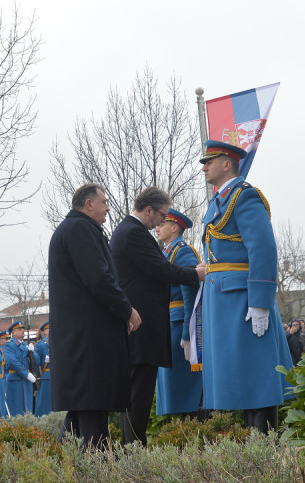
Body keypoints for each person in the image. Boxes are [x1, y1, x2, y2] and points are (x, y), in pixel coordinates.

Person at [197, 141, 292, 433]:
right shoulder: (218, 201)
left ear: (227, 164)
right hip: (222, 300)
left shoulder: (244, 196)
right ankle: (252, 449)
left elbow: (263, 249)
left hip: (242, 298)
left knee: (257, 374)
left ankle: (264, 448)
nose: (204, 167)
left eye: (209, 161)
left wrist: (261, 301)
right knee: (238, 378)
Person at [47, 183, 140, 448]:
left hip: (83, 339)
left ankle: (64, 468)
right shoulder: (79, 229)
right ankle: (96, 470)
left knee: (82, 414)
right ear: (88, 204)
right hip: (87, 341)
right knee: (91, 414)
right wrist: (127, 310)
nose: (108, 207)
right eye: (104, 202)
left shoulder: (79, 228)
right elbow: (99, 278)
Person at [111, 187, 205, 445]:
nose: (161, 222)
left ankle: (129, 450)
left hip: (139, 326)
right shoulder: (134, 233)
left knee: (134, 397)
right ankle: (133, 452)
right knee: (138, 397)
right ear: (149, 209)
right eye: (161, 215)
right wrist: (196, 274)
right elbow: (162, 270)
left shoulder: (127, 231)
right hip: (143, 328)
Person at [154, 208, 204, 418]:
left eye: (162, 224)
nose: (157, 227)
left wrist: (188, 333)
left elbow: (189, 293)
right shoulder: (165, 252)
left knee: (184, 390)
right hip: (167, 324)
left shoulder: (182, 251)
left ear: (174, 227)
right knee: (173, 390)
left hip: (178, 324)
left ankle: (192, 429)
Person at [3, 321, 36, 417]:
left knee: (28, 409)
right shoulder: (9, 345)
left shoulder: (25, 346)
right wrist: (26, 374)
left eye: (23, 329)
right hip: (16, 380)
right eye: (19, 329)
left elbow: (36, 362)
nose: (23, 331)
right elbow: (13, 362)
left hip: (26, 382)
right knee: (16, 409)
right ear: (13, 333)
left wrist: (33, 352)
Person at [32, 322, 51, 417]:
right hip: (47, 375)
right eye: (48, 329)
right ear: (44, 332)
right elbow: (35, 362)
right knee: (45, 402)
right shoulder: (41, 345)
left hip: (59, 376)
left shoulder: (59, 342)